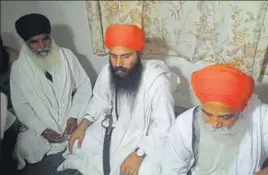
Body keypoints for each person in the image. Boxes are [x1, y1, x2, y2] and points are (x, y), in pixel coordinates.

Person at [57, 24, 176, 175]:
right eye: (113, 56)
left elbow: (164, 125)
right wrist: (83, 126)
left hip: (145, 136)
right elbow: (99, 101)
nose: (118, 64)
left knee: (147, 171)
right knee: (76, 144)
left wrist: (138, 154)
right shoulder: (108, 72)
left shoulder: (156, 80)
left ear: (138, 54)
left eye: (126, 56)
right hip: (113, 129)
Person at [10, 13, 93, 170]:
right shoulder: (18, 69)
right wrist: (43, 130)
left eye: (45, 39)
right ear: (26, 43)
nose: (42, 46)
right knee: (26, 149)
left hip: (70, 115)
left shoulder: (67, 56)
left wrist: (74, 116)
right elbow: (22, 106)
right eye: (34, 42)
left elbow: (83, 86)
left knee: (92, 137)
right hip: (41, 122)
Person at [160, 64, 268, 175]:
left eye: (225, 117)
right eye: (208, 114)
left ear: (240, 110)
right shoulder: (184, 124)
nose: (215, 123)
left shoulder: (261, 117)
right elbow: (172, 168)